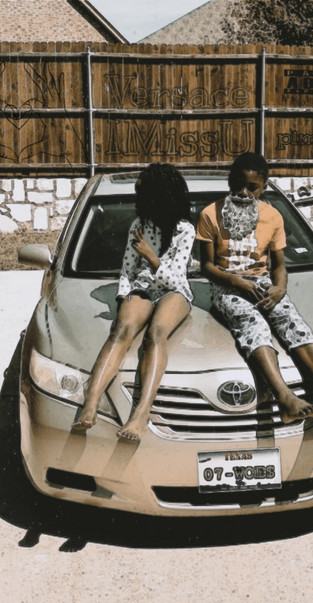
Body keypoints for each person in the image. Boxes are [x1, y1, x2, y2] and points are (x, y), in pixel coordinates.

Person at [196, 152, 313, 425]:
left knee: (296, 325)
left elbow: (279, 265)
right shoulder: (210, 214)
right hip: (227, 287)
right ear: (230, 182)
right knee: (253, 325)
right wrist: (238, 282)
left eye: (252, 187)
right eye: (238, 185)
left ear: (264, 187)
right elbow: (207, 267)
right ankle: (285, 398)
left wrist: (280, 288)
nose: (243, 193)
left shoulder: (272, 217)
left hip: (263, 285)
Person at [73, 163, 196, 441]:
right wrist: (123, 296)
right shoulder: (138, 226)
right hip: (142, 287)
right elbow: (127, 269)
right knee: (121, 330)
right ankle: (90, 403)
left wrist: (150, 256)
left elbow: (176, 279)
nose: (137, 200)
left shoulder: (185, 230)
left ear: (159, 197)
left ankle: (140, 414)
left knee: (156, 334)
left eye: (142, 194)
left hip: (174, 291)